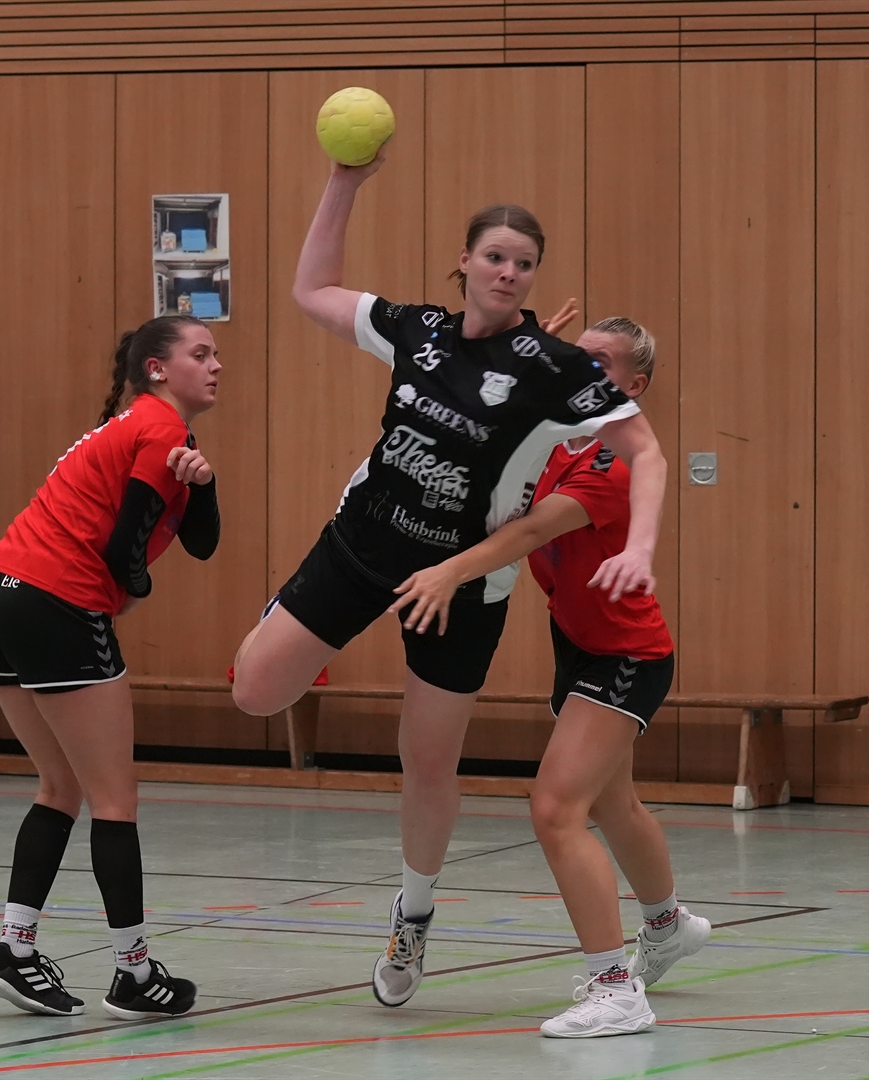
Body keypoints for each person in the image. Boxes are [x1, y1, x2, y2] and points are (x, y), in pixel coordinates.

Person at [229, 146, 668, 1012]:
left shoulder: (555, 368)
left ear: (533, 276)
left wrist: (642, 548)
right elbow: (312, 289)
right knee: (254, 692)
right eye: (495, 256)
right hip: (362, 545)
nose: (508, 272)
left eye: (524, 263)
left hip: (463, 584)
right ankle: (285, 617)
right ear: (465, 262)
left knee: (426, 760)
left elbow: (646, 453)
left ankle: (414, 914)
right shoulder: (416, 331)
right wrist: (344, 183)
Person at [385, 313, 707, 1038]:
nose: (580, 371)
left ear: (634, 386)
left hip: (626, 657)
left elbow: (529, 531)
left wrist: (449, 572)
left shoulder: (610, 464)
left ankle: (615, 989)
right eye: (575, 357)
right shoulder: (559, 441)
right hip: (579, 646)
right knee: (613, 804)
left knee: (556, 809)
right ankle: (668, 926)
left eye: (599, 363)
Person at [0, 315, 221, 1019]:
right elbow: (122, 552)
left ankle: (14, 950)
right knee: (114, 799)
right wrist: (135, 589)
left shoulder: (143, 430)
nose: (215, 365)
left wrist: (204, 485)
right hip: (54, 603)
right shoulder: (159, 429)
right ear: (157, 369)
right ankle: (134, 974)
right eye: (201, 353)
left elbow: (201, 540)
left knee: (60, 785)